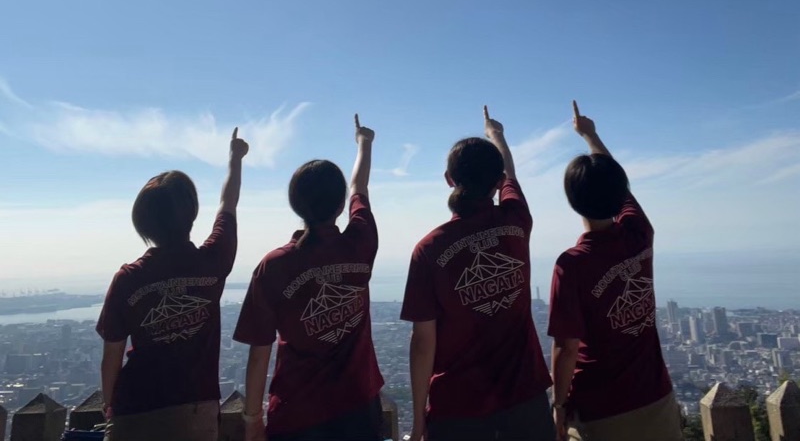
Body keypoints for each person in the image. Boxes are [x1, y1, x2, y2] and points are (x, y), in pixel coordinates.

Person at [401, 107, 555, 441]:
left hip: (457, 409)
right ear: (498, 182)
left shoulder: (429, 249)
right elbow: (511, 174)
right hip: (525, 401)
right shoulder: (516, 221)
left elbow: (423, 342)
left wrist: (417, 420)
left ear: (448, 179)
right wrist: (496, 135)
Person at [234, 115, 384, 441]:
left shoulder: (275, 266)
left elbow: (259, 352)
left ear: (295, 205)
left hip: (298, 414)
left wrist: (252, 419)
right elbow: (359, 189)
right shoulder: (360, 243)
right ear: (340, 205)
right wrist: (364, 143)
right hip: (360, 408)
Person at [97, 127, 249, 441]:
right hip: (194, 410)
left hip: (133, 410)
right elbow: (228, 204)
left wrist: (109, 404)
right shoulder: (213, 261)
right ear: (191, 214)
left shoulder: (128, 279)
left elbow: (112, 354)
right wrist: (236, 158)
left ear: (142, 222)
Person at [548, 102, 682, 441]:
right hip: (656, 397)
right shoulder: (640, 235)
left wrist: (559, 405)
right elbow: (621, 190)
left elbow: (566, 347)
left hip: (600, 409)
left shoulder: (572, 264)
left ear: (572, 201)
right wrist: (590, 136)